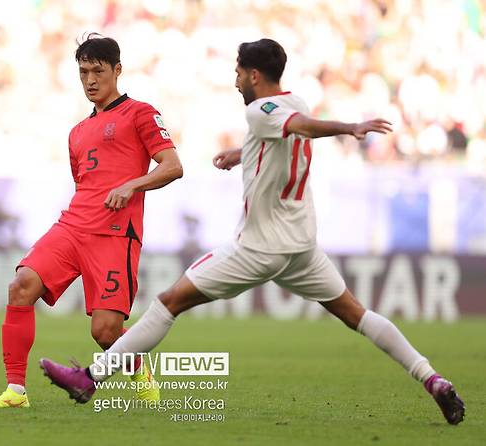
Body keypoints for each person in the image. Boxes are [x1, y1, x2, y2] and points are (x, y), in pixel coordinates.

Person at [39, 39, 465, 426]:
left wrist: (348, 128)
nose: (235, 79)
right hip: (302, 248)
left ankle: (90, 378)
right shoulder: (288, 101)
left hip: (257, 247)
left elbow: (295, 126)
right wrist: (242, 152)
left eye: (239, 72)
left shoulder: (259, 111)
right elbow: (281, 128)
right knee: (359, 315)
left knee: (168, 303)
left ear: (254, 75)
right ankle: (433, 379)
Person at [0, 34, 183, 409]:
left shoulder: (140, 112)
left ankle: (139, 368)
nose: (90, 80)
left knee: (105, 332)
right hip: (73, 226)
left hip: (116, 233)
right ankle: (15, 393)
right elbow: (84, 185)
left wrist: (132, 184)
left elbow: (173, 166)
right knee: (21, 286)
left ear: (117, 70)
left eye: (98, 71)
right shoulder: (76, 132)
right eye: (83, 72)